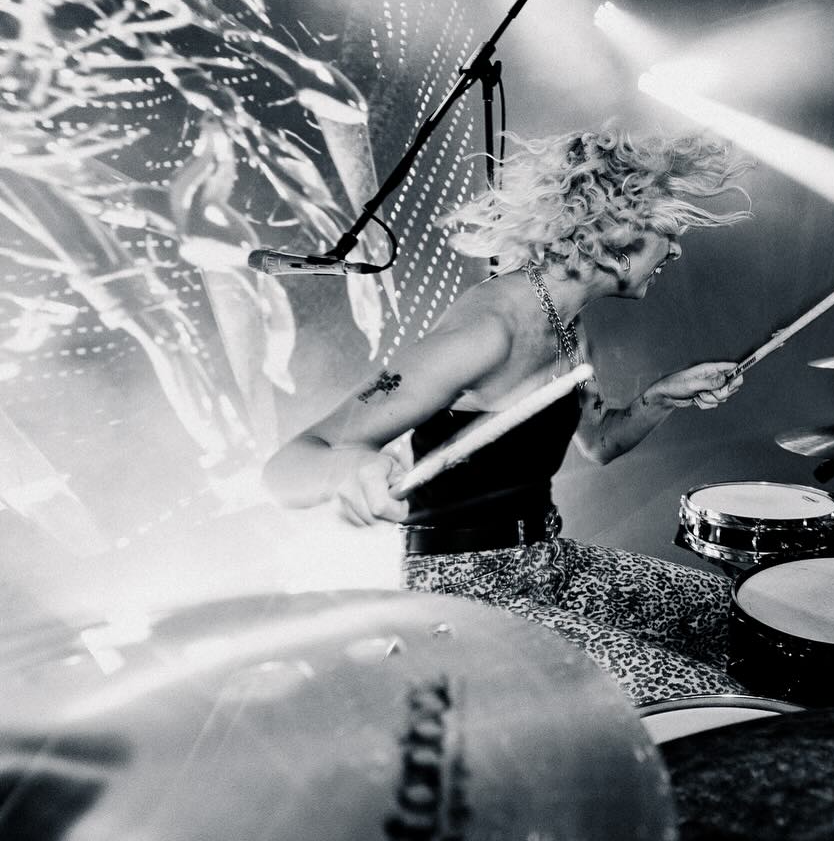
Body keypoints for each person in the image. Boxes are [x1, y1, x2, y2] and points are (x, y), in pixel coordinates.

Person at [262, 129, 755, 704]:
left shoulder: (567, 324)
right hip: (465, 599)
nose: (675, 251)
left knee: (741, 619)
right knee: (704, 700)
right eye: (667, 231)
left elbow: (599, 442)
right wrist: (346, 469)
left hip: (549, 562)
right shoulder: (487, 332)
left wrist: (659, 398)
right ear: (608, 236)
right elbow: (288, 466)